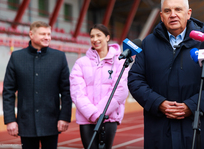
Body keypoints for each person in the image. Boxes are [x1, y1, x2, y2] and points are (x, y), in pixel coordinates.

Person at [128, 0, 204, 149]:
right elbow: (135, 79)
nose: (173, 15)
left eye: (178, 9)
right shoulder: (148, 43)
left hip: (197, 127)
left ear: (188, 13)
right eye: (167, 11)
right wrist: (158, 103)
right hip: (160, 128)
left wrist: (192, 106)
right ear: (161, 16)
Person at [3, 21, 72, 149]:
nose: (47, 37)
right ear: (31, 34)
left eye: (49, 34)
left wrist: (64, 117)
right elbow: (8, 91)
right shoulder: (17, 57)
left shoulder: (59, 57)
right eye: (42, 34)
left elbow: (66, 90)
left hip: (51, 122)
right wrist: (10, 120)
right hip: (26, 122)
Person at [70, 24, 129, 149]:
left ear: (107, 37)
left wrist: (101, 113)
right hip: (87, 118)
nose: (95, 39)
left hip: (109, 118)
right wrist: (93, 114)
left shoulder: (120, 62)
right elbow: (77, 92)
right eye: (92, 36)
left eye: (98, 35)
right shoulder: (81, 63)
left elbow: (121, 90)